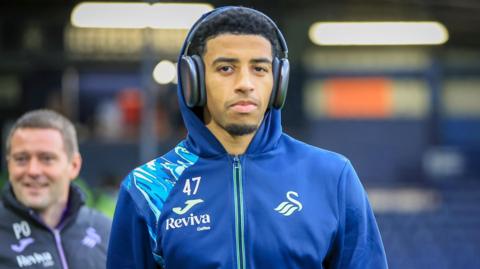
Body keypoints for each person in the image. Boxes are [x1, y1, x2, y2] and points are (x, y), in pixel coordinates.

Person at [107, 6, 388, 269]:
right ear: (193, 80)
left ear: (278, 81)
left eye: (260, 69)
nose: (245, 84)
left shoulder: (331, 176)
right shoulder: (148, 186)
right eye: (226, 68)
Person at [1, 109, 111, 268]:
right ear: (9, 164)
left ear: (74, 165)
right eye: (21, 159)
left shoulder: (106, 230)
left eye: (46, 159)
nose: (33, 170)